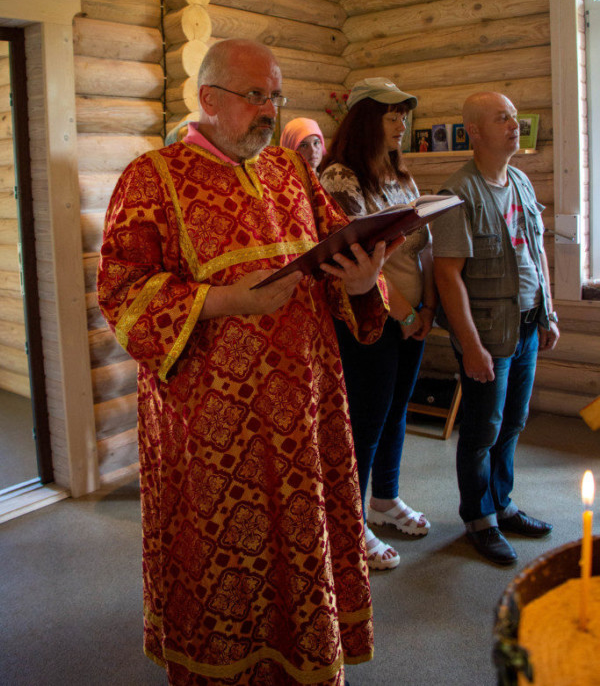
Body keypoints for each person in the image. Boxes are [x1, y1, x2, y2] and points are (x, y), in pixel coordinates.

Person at [97, 39, 402, 686]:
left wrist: (359, 282)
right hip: (212, 432)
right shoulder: (151, 178)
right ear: (208, 98)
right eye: (255, 95)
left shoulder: (291, 172)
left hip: (308, 410)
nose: (269, 110)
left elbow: (333, 251)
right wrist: (229, 300)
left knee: (302, 542)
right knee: (227, 557)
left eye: (276, 97)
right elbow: (122, 292)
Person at [430, 92, 560, 566]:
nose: (514, 125)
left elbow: (536, 252)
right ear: (475, 132)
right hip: (487, 334)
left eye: (514, 117)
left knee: (512, 423)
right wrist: (470, 345)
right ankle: (479, 519)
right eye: (502, 118)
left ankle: (502, 504)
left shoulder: (521, 181)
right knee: (482, 428)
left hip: (525, 325)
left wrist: (548, 313)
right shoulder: (456, 194)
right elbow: (447, 275)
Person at [320, 77, 436, 571]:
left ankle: (384, 500)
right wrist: (406, 313)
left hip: (410, 316)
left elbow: (420, 247)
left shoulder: (399, 175)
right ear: (366, 120)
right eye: (392, 116)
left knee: (396, 411)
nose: (401, 125)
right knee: (365, 421)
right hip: (370, 318)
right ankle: (350, 522)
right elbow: (359, 261)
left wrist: (426, 308)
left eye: (403, 116)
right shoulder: (339, 179)